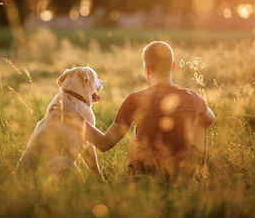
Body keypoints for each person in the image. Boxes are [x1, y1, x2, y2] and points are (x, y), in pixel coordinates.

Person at [55, 41, 215, 177]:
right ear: (172, 66)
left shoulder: (135, 99)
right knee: (199, 122)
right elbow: (209, 120)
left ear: (146, 69)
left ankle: (140, 168)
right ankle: (197, 169)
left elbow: (104, 144)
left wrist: (73, 115)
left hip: (142, 178)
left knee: (138, 122)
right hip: (181, 177)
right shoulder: (193, 97)